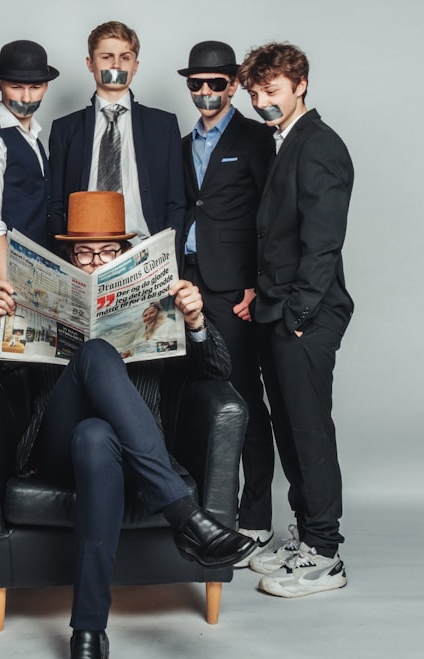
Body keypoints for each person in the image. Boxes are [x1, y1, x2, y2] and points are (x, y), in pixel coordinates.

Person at [0, 191, 255, 659]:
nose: (94, 261)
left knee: (98, 437)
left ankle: (87, 635)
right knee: (96, 353)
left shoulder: (155, 297)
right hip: (54, 450)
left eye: (106, 253)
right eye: (84, 253)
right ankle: (185, 516)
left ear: (125, 254)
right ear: (71, 257)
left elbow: (220, 371)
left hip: (127, 454)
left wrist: (195, 321)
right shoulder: (39, 294)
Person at [238, 43, 355, 598]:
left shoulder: (320, 146)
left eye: (273, 92)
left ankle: (326, 555)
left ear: (301, 84)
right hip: (280, 310)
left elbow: (324, 244)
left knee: (309, 430)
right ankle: (306, 536)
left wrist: (300, 315)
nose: (262, 103)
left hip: (306, 315)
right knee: (287, 425)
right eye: (255, 93)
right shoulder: (284, 142)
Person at [178, 40, 279, 566]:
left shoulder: (257, 138)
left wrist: (258, 283)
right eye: (197, 83)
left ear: (235, 85)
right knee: (193, 393)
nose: (206, 92)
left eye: (217, 83)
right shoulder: (180, 142)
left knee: (242, 398)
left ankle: (256, 516)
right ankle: (204, 514)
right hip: (184, 283)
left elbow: (272, 214)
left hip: (233, 289)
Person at [48, 21, 184, 247]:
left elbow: (176, 203)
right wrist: (67, 255)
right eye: (107, 56)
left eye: (125, 57)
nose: (116, 64)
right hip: (85, 254)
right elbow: (55, 204)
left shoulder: (163, 125)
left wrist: (167, 254)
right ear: (90, 64)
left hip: (146, 250)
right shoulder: (65, 129)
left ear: (135, 66)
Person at [0, 39, 59, 336]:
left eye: (34, 88)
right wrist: (12, 291)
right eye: (16, 87)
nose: (26, 97)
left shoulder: (34, 137)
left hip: (36, 282)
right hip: (2, 283)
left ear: (45, 86)